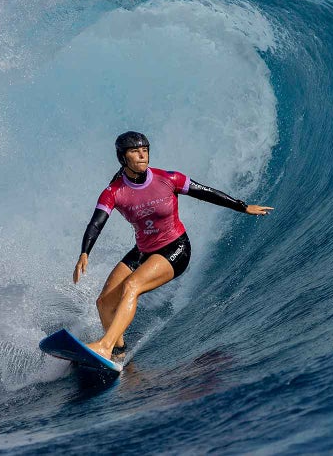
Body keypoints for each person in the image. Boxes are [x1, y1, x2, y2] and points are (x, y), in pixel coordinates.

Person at [73, 131, 273, 362]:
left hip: (174, 248)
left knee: (132, 286)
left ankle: (104, 346)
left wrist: (243, 206)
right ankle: (118, 351)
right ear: (122, 157)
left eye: (145, 150)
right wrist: (84, 252)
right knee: (104, 302)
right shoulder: (114, 192)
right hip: (143, 250)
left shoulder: (168, 179)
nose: (142, 155)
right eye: (135, 151)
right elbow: (96, 222)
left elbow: (206, 192)